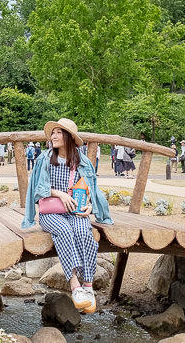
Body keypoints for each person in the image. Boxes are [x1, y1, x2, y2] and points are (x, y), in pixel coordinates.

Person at [22, 118, 112, 314]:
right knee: (64, 231)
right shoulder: (44, 159)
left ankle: (87, 286)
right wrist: (60, 194)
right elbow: (38, 190)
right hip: (51, 213)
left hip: (75, 211)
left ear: (69, 137)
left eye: (58, 132)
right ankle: (74, 286)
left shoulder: (82, 161)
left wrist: (90, 207)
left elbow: (90, 188)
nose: (53, 136)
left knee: (83, 232)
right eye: (52, 133)